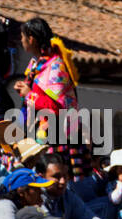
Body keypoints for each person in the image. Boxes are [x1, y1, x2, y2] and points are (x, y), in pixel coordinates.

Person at [14, 16, 78, 149]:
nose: (21, 40)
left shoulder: (55, 68)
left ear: (31, 39)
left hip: (51, 137)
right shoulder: (35, 65)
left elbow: (58, 108)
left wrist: (29, 94)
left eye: (22, 37)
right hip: (36, 132)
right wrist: (25, 90)